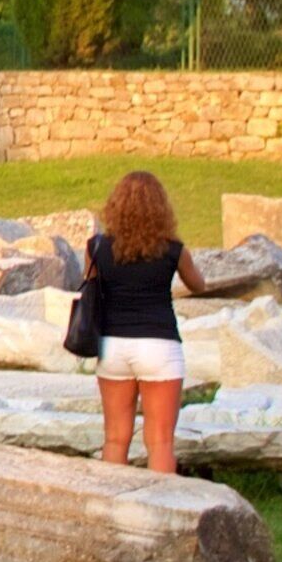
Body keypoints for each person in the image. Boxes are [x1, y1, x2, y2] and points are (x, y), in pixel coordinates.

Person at [84, 169, 210, 476]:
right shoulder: (172, 250)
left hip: (112, 344)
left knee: (115, 438)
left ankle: (112, 507)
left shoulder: (97, 248)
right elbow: (199, 285)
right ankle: (160, 513)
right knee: (160, 441)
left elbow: (89, 285)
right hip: (159, 342)